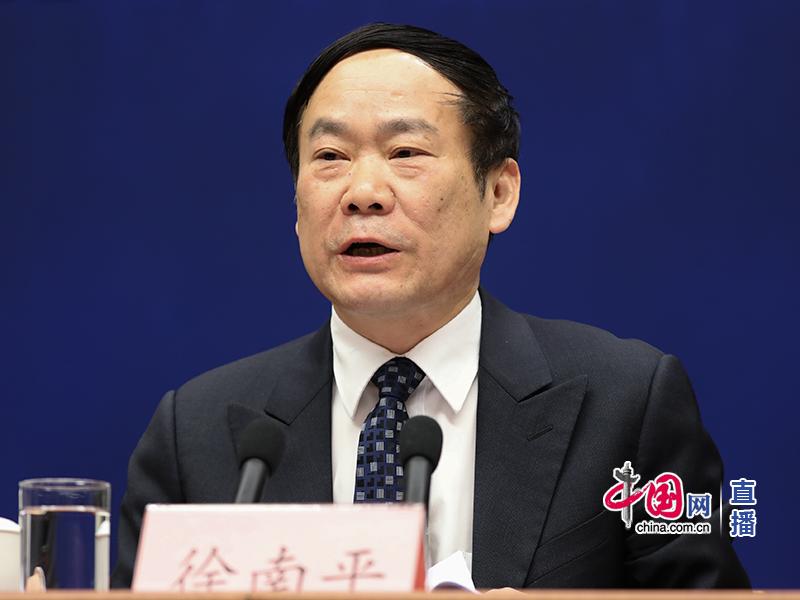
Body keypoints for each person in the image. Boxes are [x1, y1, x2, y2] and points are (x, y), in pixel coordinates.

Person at [112, 23, 749, 589]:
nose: (363, 191)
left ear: (498, 193)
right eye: (330, 157)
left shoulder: (626, 403)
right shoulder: (194, 433)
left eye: (406, 153)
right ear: (297, 205)